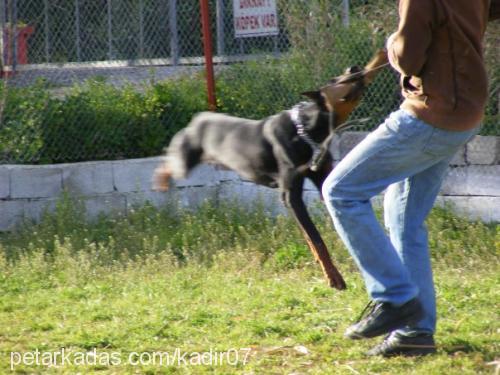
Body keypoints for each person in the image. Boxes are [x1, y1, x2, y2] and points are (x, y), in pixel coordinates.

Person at [322, 0, 500, 357]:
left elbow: (407, 58)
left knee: (341, 191)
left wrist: (392, 42)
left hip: (430, 114)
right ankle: (414, 334)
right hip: (465, 111)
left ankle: (394, 298)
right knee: (403, 218)